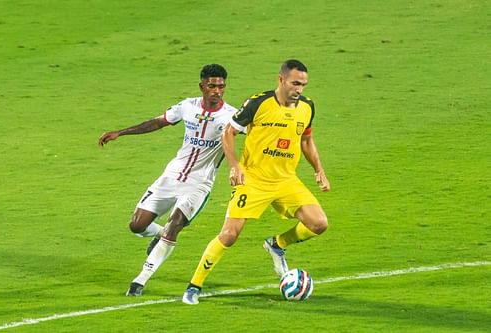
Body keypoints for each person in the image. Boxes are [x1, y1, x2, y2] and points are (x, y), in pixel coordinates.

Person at [182, 59, 330, 305]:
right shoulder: (258, 103)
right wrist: (234, 166)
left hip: (286, 181)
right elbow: (228, 132)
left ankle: (277, 245)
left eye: (303, 84)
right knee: (229, 234)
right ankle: (193, 286)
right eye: (295, 83)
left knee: (319, 223)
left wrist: (319, 170)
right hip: (253, 180)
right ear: (280, 80)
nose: (299, 89)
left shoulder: (307, 107)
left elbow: (306, 140)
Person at [98, 64, 237, 296]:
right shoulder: (187, 106)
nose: (217, 91)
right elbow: (157, 122)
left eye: (221, 86)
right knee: (137, 226)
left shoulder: (231, 116)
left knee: (175, 225)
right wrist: (121, 132)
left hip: (198, 184)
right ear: (202, 86)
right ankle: (160, 234)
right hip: (171, 176)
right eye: (212, 86)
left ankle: (140, 280)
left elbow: (253, 134)